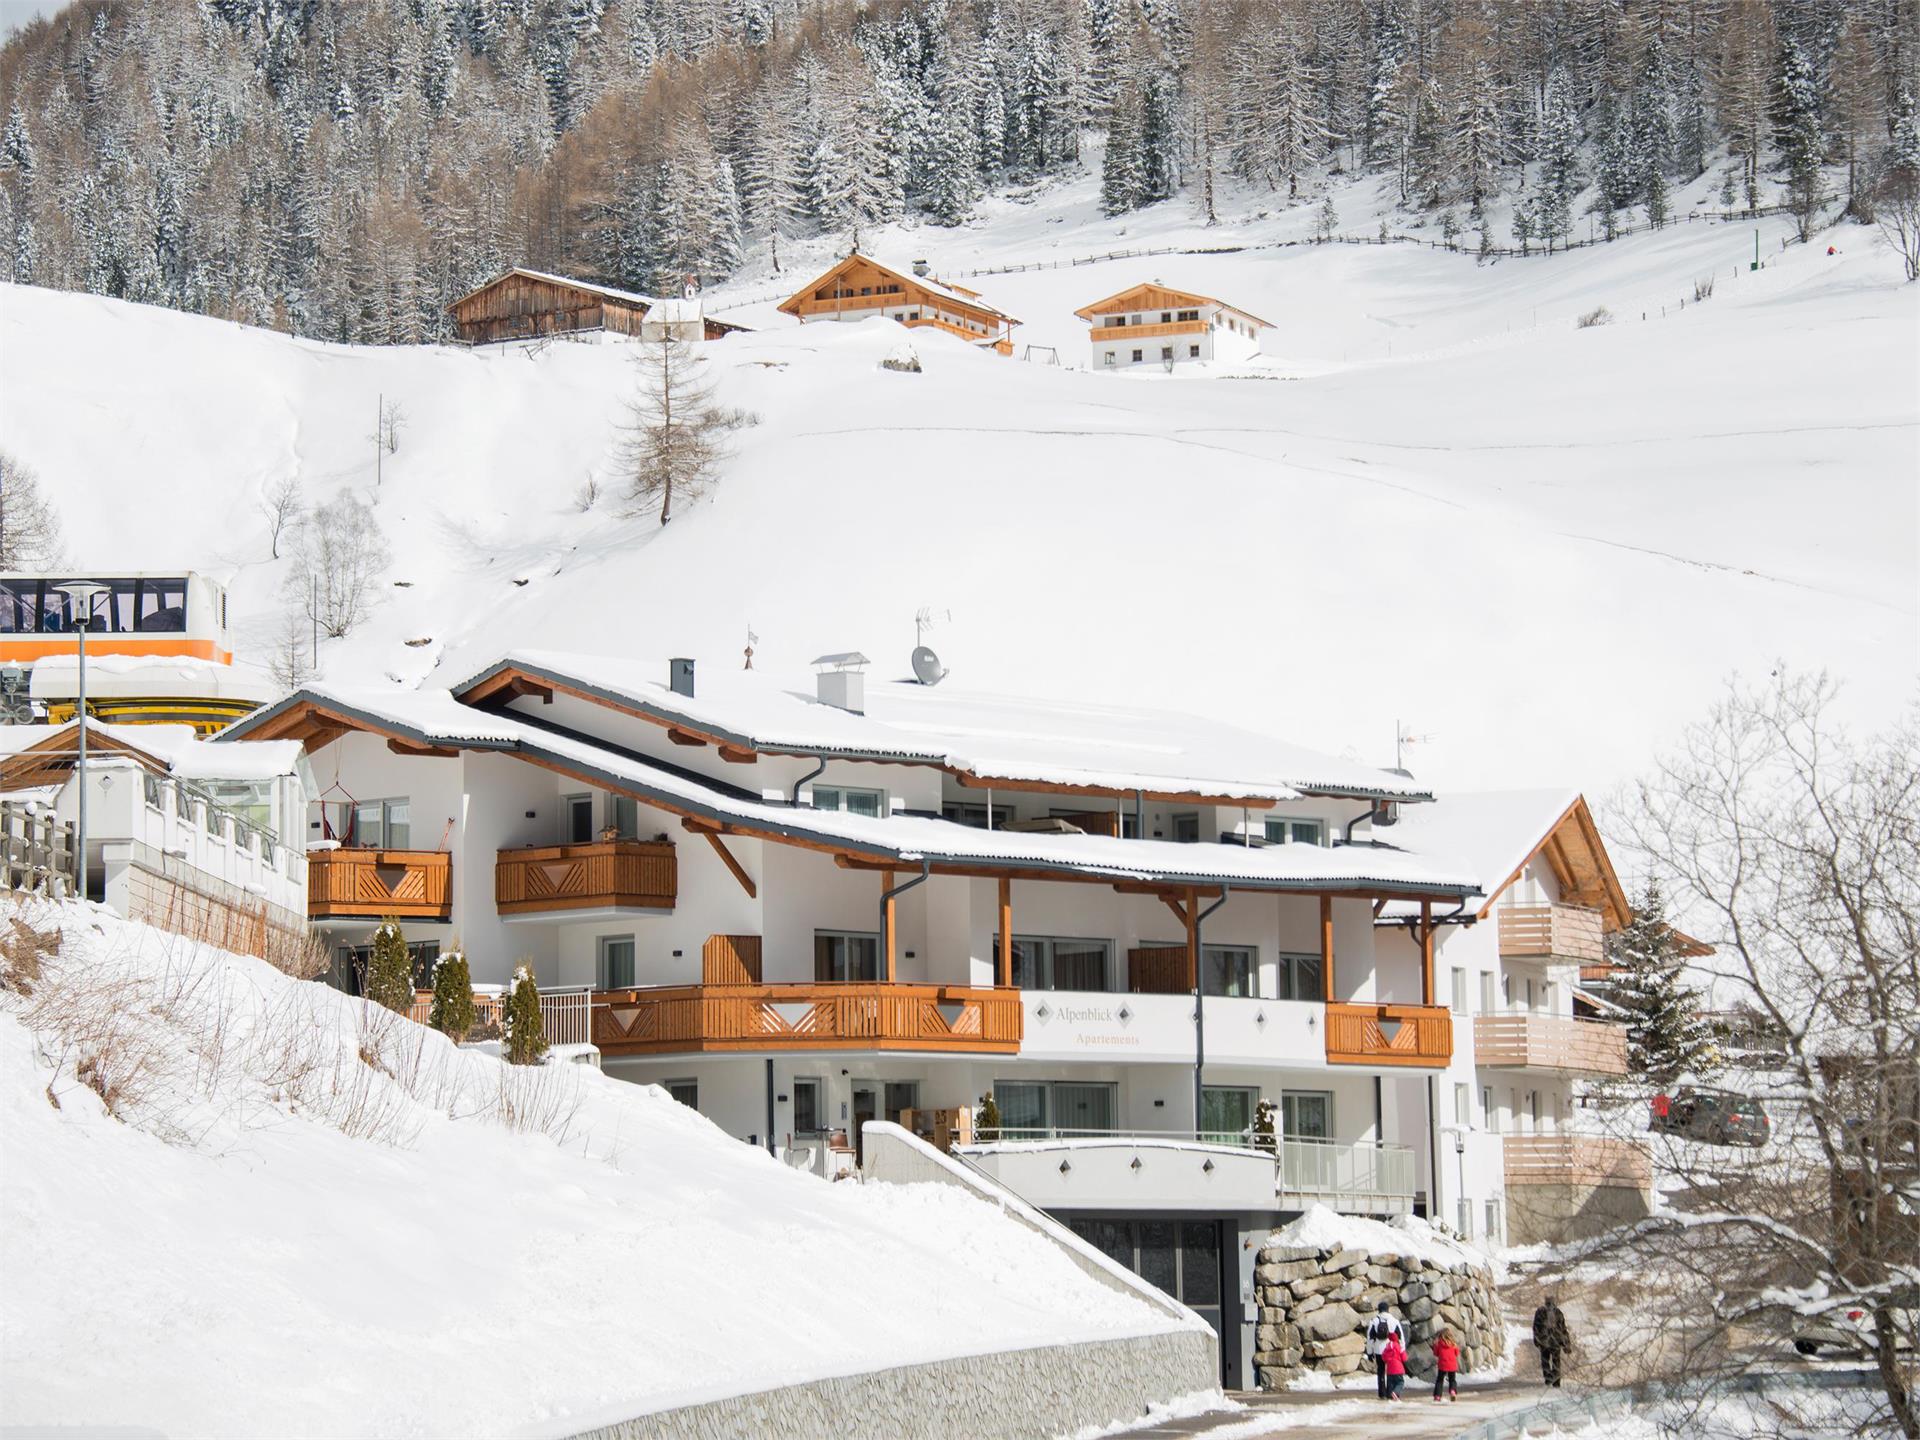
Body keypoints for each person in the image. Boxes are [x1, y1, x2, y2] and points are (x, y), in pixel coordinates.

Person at [1365, 1301, 1404, 1399]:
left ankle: (1382, 1393)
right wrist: (1402, 1350)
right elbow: (1401, 1337)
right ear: (1387, 1309)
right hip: (1393, 1350)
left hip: (1379, 1350)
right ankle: (1390, 1393)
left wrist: (1369, 1352)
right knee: (1391, 1372)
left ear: (1379, 1310)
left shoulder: (1374, 1321)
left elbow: (1370, 1338)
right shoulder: (1394, 1321)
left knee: (1381, 1371)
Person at [1533, 1295, 1572, 1387]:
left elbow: (1536, 1327)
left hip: (1547, 1341)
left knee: (1547, 1360)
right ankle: (1555, 1380)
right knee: (1554, 1360)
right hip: (1552, 1341)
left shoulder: (1541, 1312)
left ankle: (1550, 1378)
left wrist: (1537, 1339)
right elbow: (1563, 1329)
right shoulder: (1557, 1313)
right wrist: (1566, 1343)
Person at [1432, 1329, 1461, 1401]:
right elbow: (1457, 1353)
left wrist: (1435, 1346)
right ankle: (1453, 1391)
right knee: (1452, 1380)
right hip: (1452, 1365)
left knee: (1440, 1380)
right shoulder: (1453, 1344)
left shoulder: (1439, 1344)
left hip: (1442, 1365)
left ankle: (1437, 1396)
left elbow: (1436, 1353)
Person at [1382, 1331, 1408, 1401]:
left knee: (1390, 1384)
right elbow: (1404, 1358)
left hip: (1390, 1369)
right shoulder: (1399, 1346)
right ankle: (1395, 1393)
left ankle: (1390, 1397)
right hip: (1398, 1369)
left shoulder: (1386, 1347)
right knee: (1400, 1382)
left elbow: (1383, 1357)